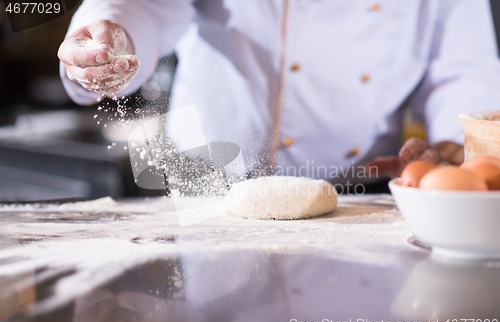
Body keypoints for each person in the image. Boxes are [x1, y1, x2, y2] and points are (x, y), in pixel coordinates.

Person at [58, 0, 500, 192]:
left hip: (359, 194)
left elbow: (463, 66)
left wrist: (461, 150)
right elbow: (146, 7)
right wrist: (110, 38)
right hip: (204, 186)